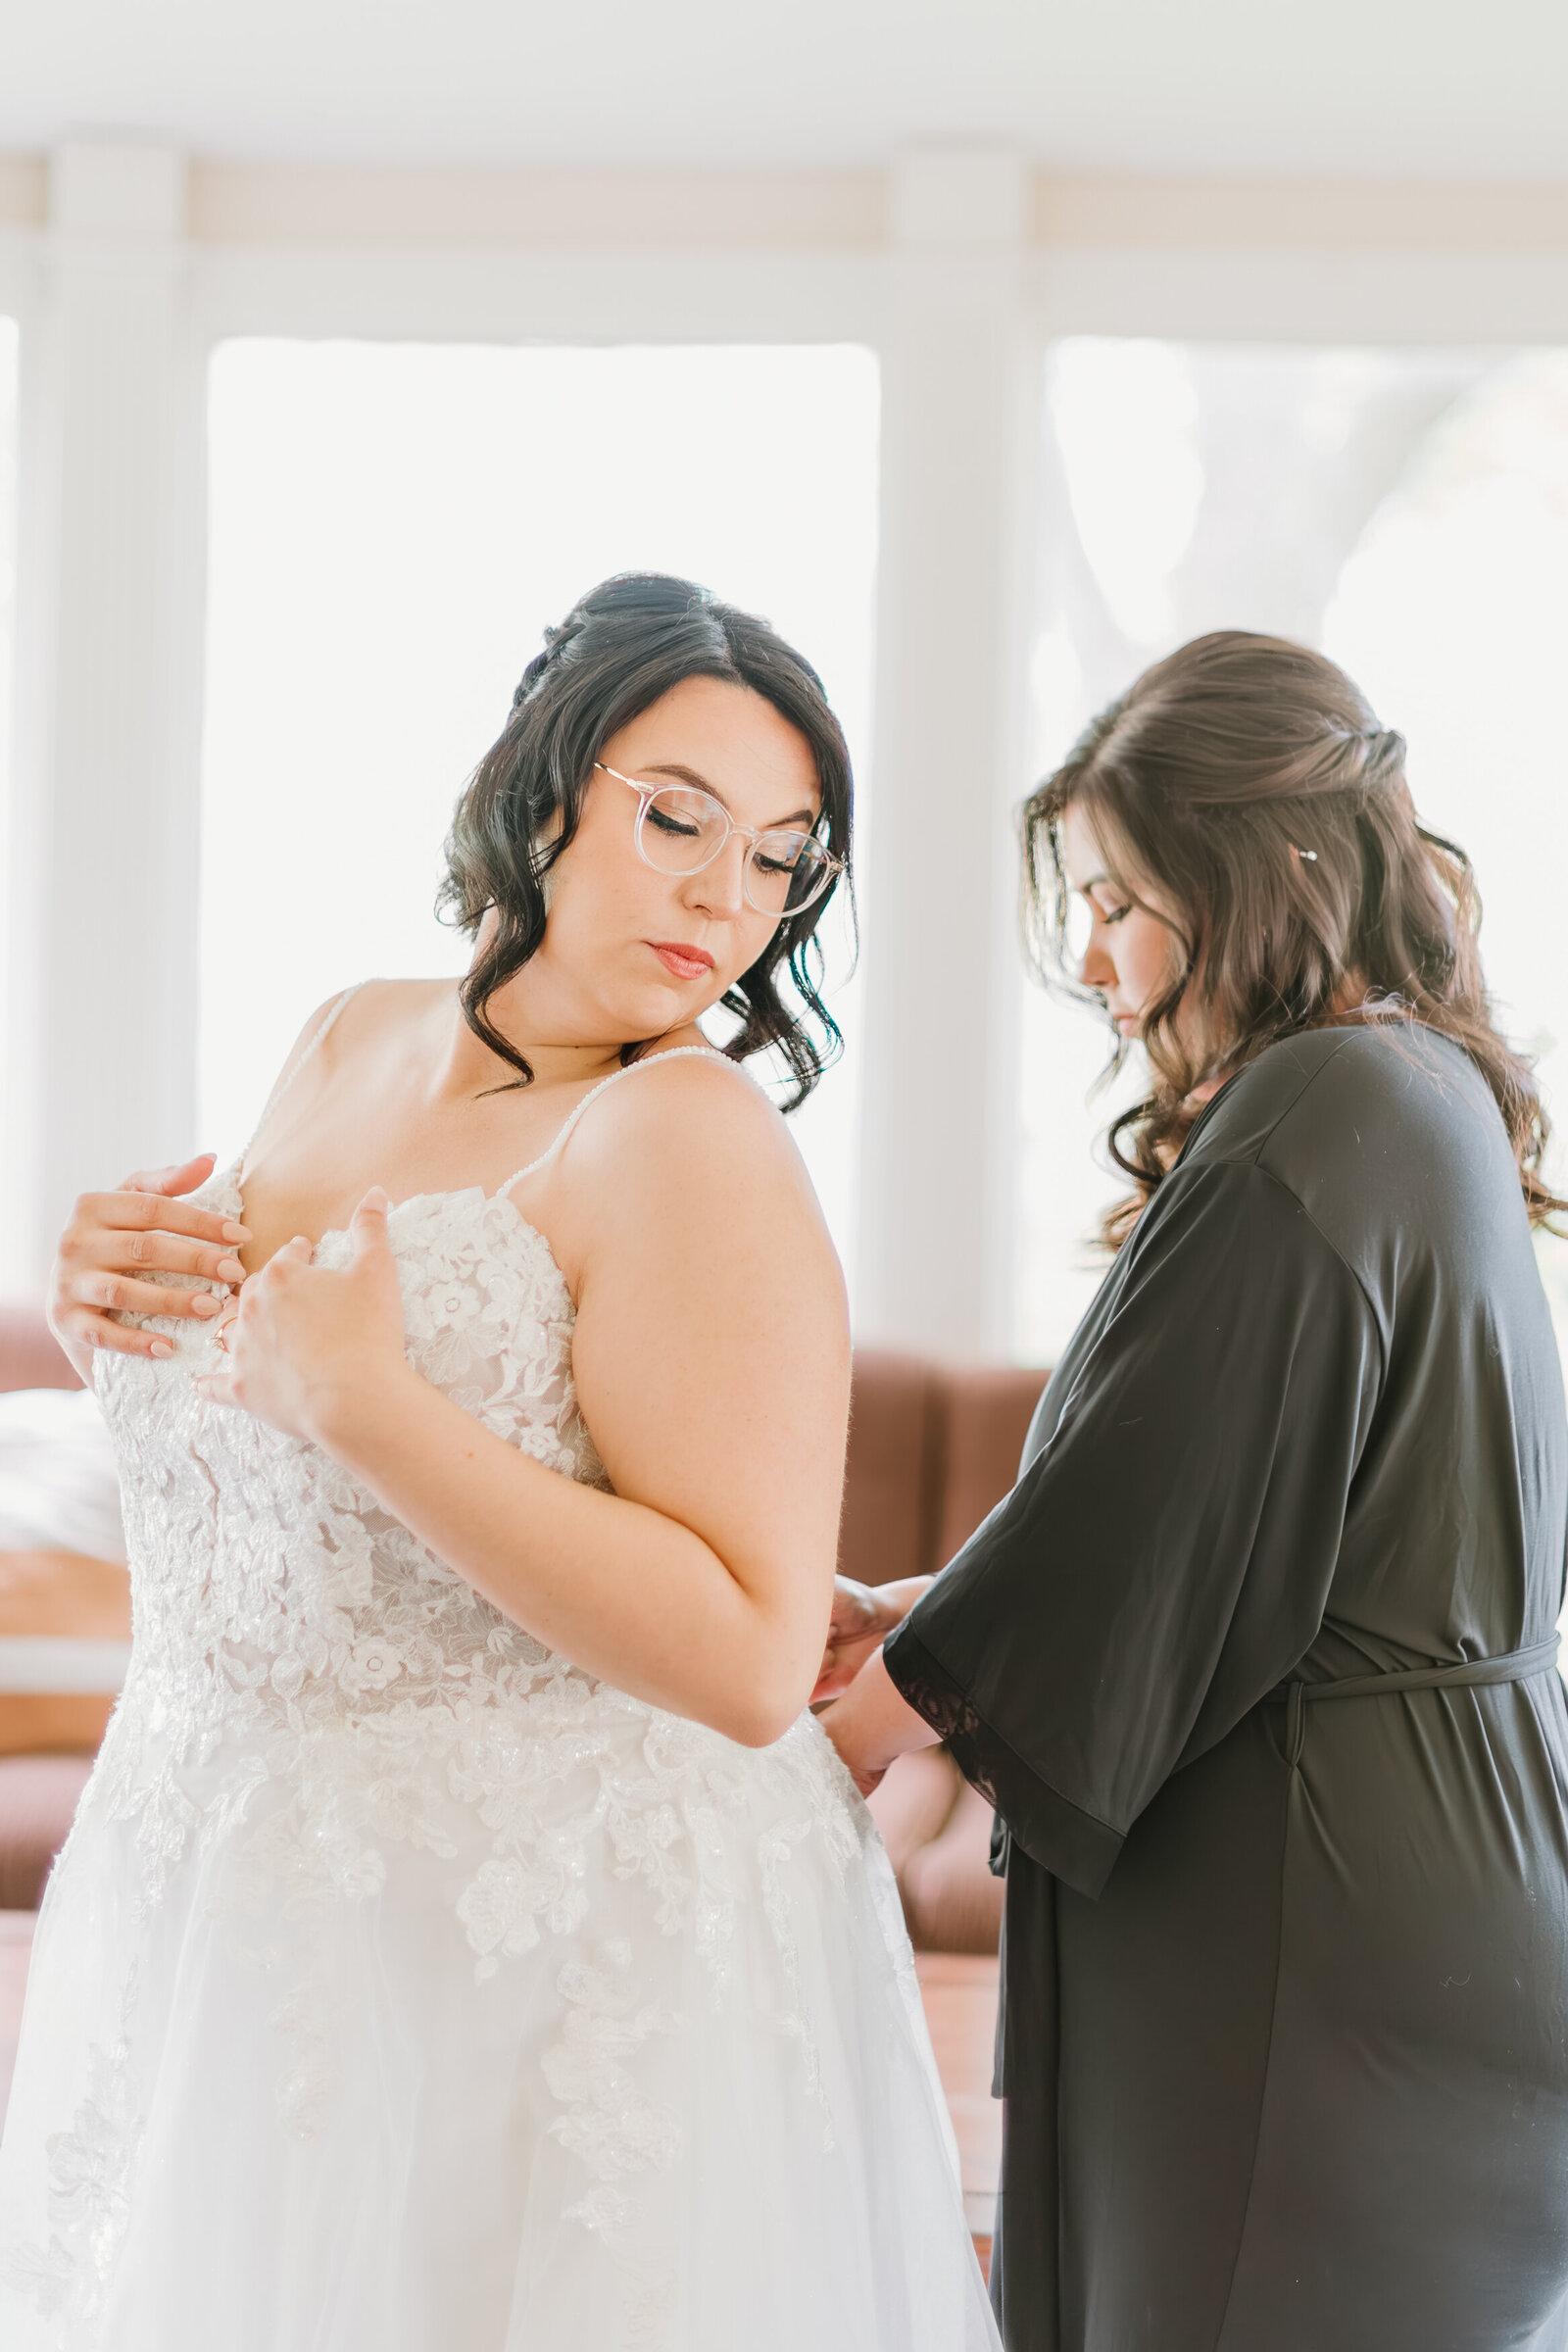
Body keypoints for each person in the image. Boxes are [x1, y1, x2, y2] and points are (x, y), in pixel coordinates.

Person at [0, 574, 999, 2351]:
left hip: (542, 1957)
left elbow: (755, 1662)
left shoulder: (685, 1137)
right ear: (542, 792)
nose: (725, 896)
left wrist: (379, 1412)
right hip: (236, 1887)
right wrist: (107, 1319)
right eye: (677, 817)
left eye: (780, 859)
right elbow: (249, 1443)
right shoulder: (346, 1030)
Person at [823, 631, 1568, 2352]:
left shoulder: (1315, 1109)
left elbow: (1139, 1528)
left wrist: (842, 1744)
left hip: (1317, 1942)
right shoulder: (1419, 1089)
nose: (1090, 955)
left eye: (1118, 898)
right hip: (1447, 1890)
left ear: (1272, 873)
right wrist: (938, 1610)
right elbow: (1254, 1508)